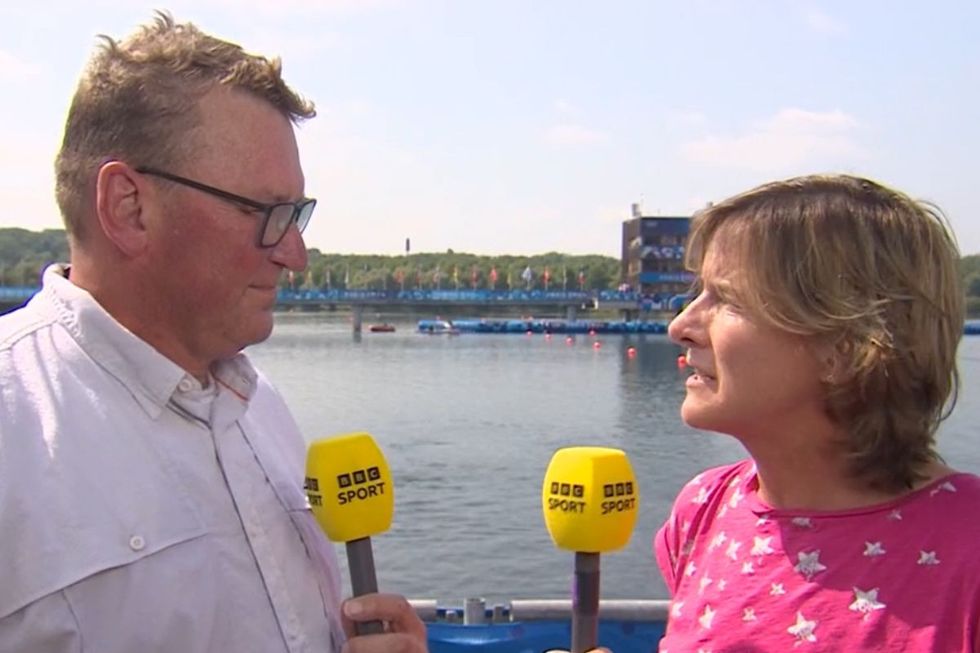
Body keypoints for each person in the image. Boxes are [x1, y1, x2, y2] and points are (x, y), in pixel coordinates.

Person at [0, 13, 426, 653]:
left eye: (297, 214)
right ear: (129, 207)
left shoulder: (262, 410)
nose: (295, 254)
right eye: (267, 213)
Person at [657, 174, 979, 651]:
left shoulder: (969, 546)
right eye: (696, 294)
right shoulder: (702, 509)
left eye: (726, 298)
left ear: (844, 347)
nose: (679, 326)